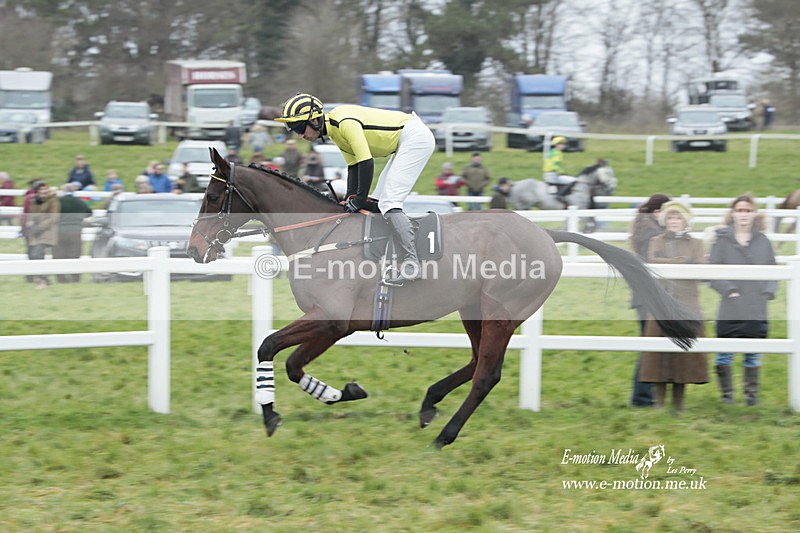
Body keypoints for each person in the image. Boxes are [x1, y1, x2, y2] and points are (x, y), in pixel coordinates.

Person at [275, 93, 435, 285]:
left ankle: (412, 263)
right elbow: (353, 166)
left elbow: (366, 163)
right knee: (377, 203)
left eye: (301, 128)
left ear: (316, 119)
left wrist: (358, 200)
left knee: (389, 202)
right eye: (295, 131)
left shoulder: (343, 122)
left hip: (414, 137)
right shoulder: (334, 131)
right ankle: (389, 256)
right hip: (404, 141)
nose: (300, 135)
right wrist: (349, 199)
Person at [638, 201, 708, 411]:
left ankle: (678, 405)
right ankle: (659, 403)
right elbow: (654, 263)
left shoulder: (696, 244)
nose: (674, 222)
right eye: (670, 218)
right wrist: (681, 261)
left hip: (687, 304)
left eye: (678, 218)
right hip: (661, 304)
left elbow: (701, 269)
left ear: (685, 221)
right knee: (658, 355)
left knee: (683, 356)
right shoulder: (656, 241)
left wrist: (672, 262)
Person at [709, 193, 777, 406]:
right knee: (725, 354)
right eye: (739, 210)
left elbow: (772, 270)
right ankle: (727, 397)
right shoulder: (722, 241)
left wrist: (767, 293)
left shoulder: (763, 241)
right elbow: (712, 271)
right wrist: (729, 290)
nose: (744, 214)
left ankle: (751, 397)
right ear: (733, 214)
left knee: (752, 354)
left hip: (756, 306)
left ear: (754, 213)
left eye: (747, 210)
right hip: (730, 305)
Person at [628, 192, 671, 407]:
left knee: (651, 345)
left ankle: (646, 395)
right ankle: (642, 397)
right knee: (649, 347)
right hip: (648, 298)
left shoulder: (647, 230)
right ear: (657, 212)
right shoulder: (651, 235)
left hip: (645, 298)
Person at [54, 183, 92, 283]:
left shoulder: (58, 201)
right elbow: (89, 213)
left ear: (63, 191)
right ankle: (75, 278)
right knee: (75, 255)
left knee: (59, 255)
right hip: (75, 232)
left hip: (60, 232)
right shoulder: (79, 202)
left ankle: (61, 279)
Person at [26, 181, 60, 289]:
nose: (43, 191)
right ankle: (43, 279)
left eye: (44, 189)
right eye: (40, 189)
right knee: (34, 255)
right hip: (36, 232)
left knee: (37, 253)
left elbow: (54, 217)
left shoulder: (53, 200)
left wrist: (39, 227)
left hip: (47, 232)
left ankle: (43, 280)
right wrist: (30, 223)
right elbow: (31, 214)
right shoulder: (34, 201)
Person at [543, 136, 576, 203]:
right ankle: (560, 195)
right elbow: (555, 165)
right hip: (552, 175)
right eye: (561, 144)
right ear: (556, 145)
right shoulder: (557, 153)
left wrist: (562, 172)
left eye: (564, 144)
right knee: (574, 180)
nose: (563, 146)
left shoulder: (552, 152)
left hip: (549, 174)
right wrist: (561, 172)